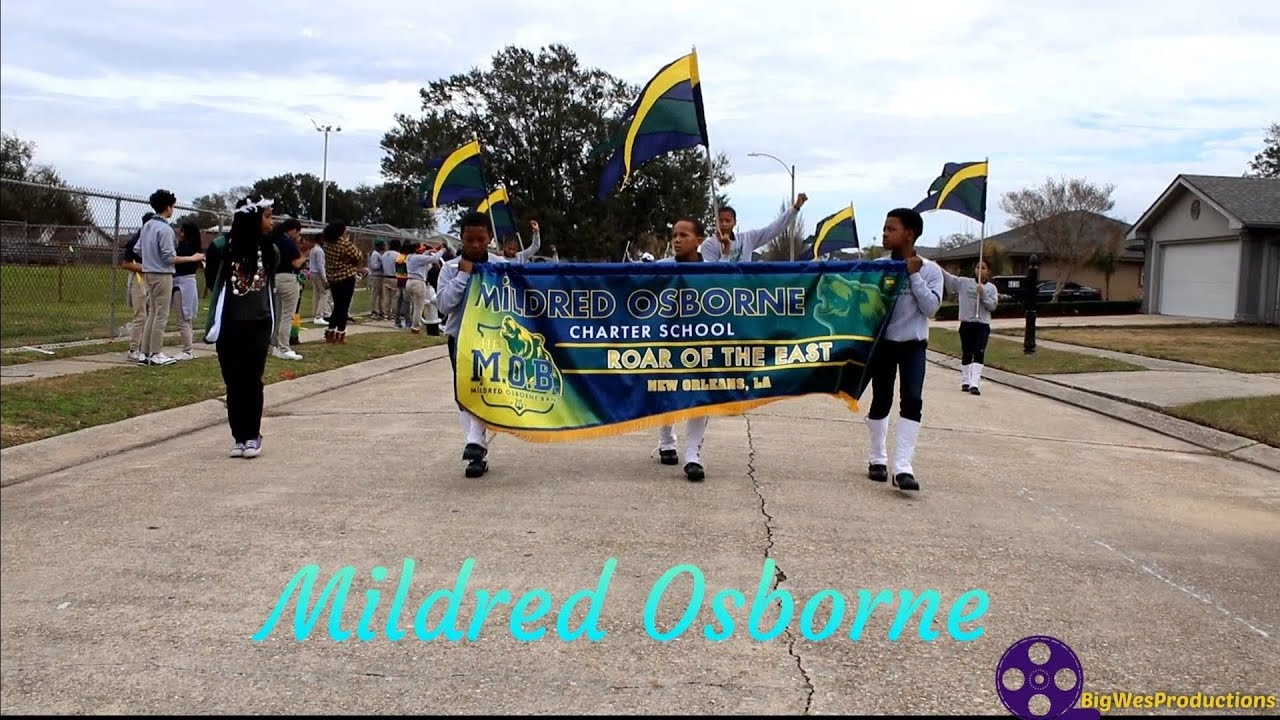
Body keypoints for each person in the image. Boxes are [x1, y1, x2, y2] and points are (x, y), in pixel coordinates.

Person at [862, 208, 944, 492]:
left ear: (909, 234)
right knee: (881, 399)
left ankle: (903, 467)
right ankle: (877, 459)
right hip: (884, 345)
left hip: (914, 346)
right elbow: (866, 307)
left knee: (912, 399)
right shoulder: (879, 267)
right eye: (885, 228)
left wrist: (914, 276)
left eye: (891, 229)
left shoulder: (931, 270)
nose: (885, 233)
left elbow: (931, 308)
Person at [204, 196, 280, 459]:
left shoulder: (270, 249)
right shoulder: (220, 247)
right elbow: (213, 282)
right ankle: (239, 436)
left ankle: (253, 434)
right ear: (253, 217)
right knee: (233, 381)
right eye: (268, 216)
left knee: (252, 380)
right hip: (230, 326)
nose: (271, 221)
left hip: (258, 323)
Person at [437, 211, 507, 479]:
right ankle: (476, 444)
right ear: (462, 239)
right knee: (464, 394)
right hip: (460, 339)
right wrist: (463, 276)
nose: (475, 245)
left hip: (493, 339)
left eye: (481, 239)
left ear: (489, 238)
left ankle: (476, 443)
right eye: (469, 240)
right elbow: (444, 305)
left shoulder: (501, 265)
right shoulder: (449, 268)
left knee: (486, 389)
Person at [654, 218, 710, 482]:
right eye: (674, 234)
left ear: (699, 240)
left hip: (700, 343)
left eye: (683, 235)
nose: (676, 239)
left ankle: (692, 456)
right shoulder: (659, 269)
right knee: (666, 390)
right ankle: (666, 441)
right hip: (667, 343)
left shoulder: (714, 272)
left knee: (701, 396)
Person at [138, 189, 203, 366]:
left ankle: (145, 353)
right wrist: (193, 258)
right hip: (162, 274)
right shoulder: (165, 229)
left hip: (148, 272)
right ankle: (156, 353)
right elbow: (170, 258)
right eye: (173, 206)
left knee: (152, 312)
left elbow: (138, 249)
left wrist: (151, 257)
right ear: (168, 207)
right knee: (161, 314)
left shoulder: (147, 226)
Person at [942, 260, 998, 395]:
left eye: (983, 268)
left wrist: (983, 294)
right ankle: (965, 380)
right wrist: (937, 268)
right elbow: (949, 279)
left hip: (982, 325)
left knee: (979, 351)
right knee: (966, 351)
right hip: (967, 324)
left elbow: (993, 306)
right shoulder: (964, 283)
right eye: (978, 267)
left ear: (988, 271)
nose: (980, 270)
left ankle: (975, 383)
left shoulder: (991, 288)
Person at [700, 193, 808, 263]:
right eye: (720, 220)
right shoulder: (708, 245)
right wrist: (726, 251)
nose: (724, 224)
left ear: (734, 223)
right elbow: (715, 274)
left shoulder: (747, 238)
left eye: (728, 221)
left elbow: (773, 229)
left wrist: (795, 208)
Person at [322, 222, 367, 344]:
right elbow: (358, 255)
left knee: (337, 306)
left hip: (333, 278)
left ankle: (330, 331)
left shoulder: (327, 244)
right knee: (344, 307)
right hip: (346, 277)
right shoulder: (344, 244)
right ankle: (340, 333)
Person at [120, 211, 154, 363]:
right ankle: (134, 349)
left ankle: (145, 347)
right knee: (140, 315)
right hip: (139, 279)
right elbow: (126, 263)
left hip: (152, 279)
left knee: (150, 313)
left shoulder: (152, 241)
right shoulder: (135, 241)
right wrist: (146, 267)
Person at [270, 218, 305, 360]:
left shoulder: (273, 239)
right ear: (294, 230)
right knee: (287, 315)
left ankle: (273, 345)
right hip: (288, 278)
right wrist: (304, 257)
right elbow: (296, 263)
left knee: (276, 315)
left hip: (275, 278)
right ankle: (284, 347)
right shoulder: (288, 242)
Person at [170, 222, 204, 361]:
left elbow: (173, 259)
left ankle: (187, 350)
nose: (180, 234)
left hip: (184, 284)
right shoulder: (187, 248)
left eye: (183, 232)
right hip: (184, 283)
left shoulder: (187, 250)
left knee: (183, 319)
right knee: (185, 319)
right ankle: (187, 348)